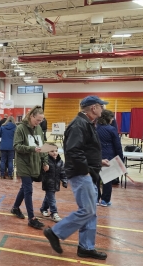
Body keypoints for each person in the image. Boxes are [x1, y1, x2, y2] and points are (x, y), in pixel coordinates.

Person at [43, 95, 110, 260]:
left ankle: (86, 247)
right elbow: (73, 151)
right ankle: (55, 232)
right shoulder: (79, 124)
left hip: (87, 171)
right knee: (87, 210)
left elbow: (84, 149)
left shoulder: (86, 123)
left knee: (91, 212)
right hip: (81, 173)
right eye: (101, 106)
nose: (103, 108)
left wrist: (97, 161)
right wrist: (86, 170)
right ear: (93, 108)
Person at [11, 105, 48, 229]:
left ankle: (15, 208)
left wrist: (45, 161)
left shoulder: (38, 129)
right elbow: (16, 146)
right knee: (28, 189)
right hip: (23, 163)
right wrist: (32, 149)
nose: (39, 122)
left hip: (34, 163)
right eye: (37, 120)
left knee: (24, 188)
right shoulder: (20, 128)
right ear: (31, 116)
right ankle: (31, 218)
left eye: (41, 120)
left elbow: (43, 146)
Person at [96, 109, 123, 207]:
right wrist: (121, 160)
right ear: (109, 118)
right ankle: (105, 200)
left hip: (96, 156)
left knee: (96, 179)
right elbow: (118, 146)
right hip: (109, 156)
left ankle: (96, 198)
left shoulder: (94, 128)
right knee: (107, 180)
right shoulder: (112, 129)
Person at [40, 143, 68, 222]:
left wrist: (64, 181)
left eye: (56, 151)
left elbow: (63, 172)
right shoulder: (46, 161)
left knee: (48, 197)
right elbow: (42, 171)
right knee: (52, 199)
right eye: (52, 151)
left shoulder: (60, 162)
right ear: (47, 152)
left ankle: (43, 209)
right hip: (48, 183)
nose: (54, 153)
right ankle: (54, 213)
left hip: (56, 184)